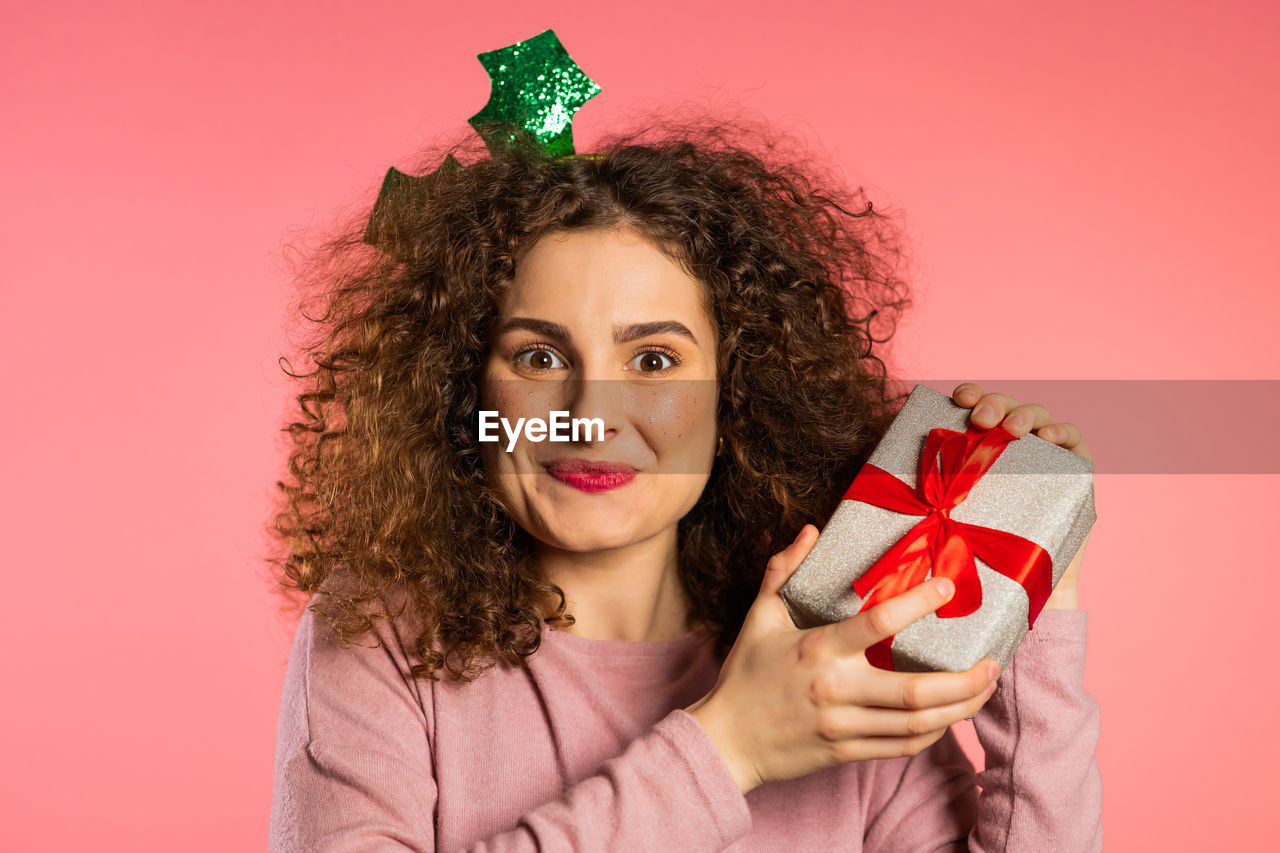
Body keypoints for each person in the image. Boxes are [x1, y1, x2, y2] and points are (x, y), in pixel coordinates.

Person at [266, 116, 1102, 851]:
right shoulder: (380, 634)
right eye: (539, 357)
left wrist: (1030, 593)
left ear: (733, 395)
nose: (591, 414)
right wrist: (729, 744)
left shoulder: (836, 650)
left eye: (655, 360)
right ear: (465, 391)